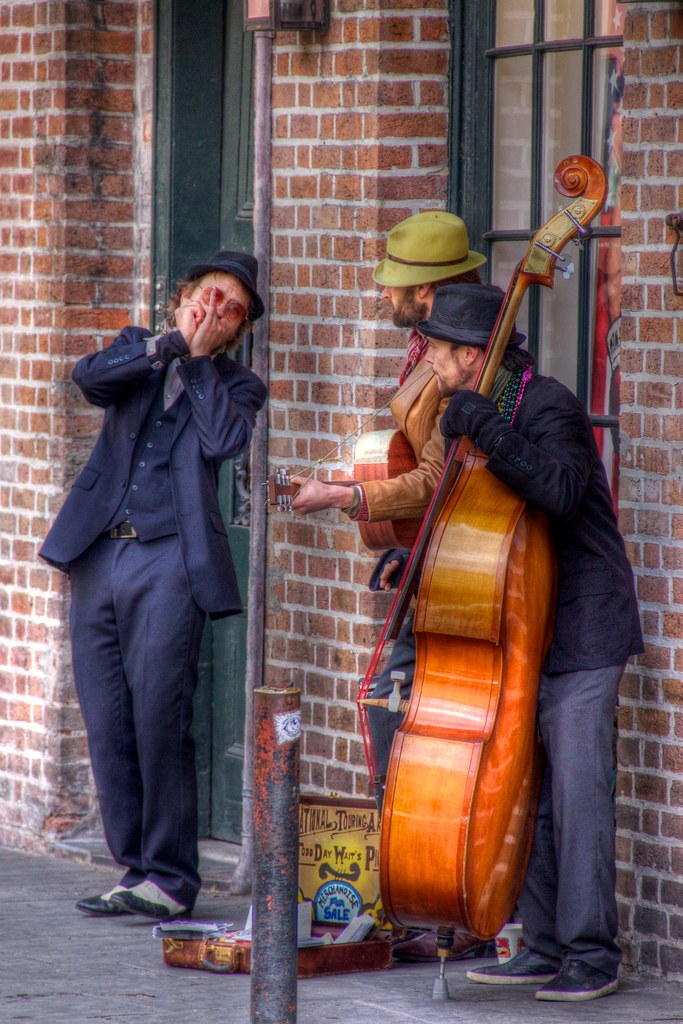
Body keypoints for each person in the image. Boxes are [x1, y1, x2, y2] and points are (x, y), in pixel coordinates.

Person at [414, 282, 642, 1002]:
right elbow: (468, 518)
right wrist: (414, 558)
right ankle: (540, 944)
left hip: (580, 621)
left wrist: (485, 429)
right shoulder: (472, 411)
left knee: (577, 793)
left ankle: (590, 954)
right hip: (516, 622)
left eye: (442, 354)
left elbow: (562, 489)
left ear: (475, 355)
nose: (432, 365)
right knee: (528, 789)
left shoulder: (546, 405)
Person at [40, 251, 268, 920]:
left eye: (231, 309)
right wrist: (168, 348)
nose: (215, 312)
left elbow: (225, 440)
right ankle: (132, 868)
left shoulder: (239, 384)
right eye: (208, 296)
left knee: (159, 716)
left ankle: (169, 878)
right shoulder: (135, 350)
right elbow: (89, 380)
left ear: (237, 328)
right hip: (98, 556)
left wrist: (196, 365)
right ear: (183, 297)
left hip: (170, 560)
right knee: (106, 717)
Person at [290, 211, 487, 812]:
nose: (382, 293)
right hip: (429, 549)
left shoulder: (463, 356)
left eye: (391, 282)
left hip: (463, 562)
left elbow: (438, 474)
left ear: (424, 290)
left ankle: (403, 854)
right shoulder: (430, 345)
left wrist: (347, 495)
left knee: (388, 695)